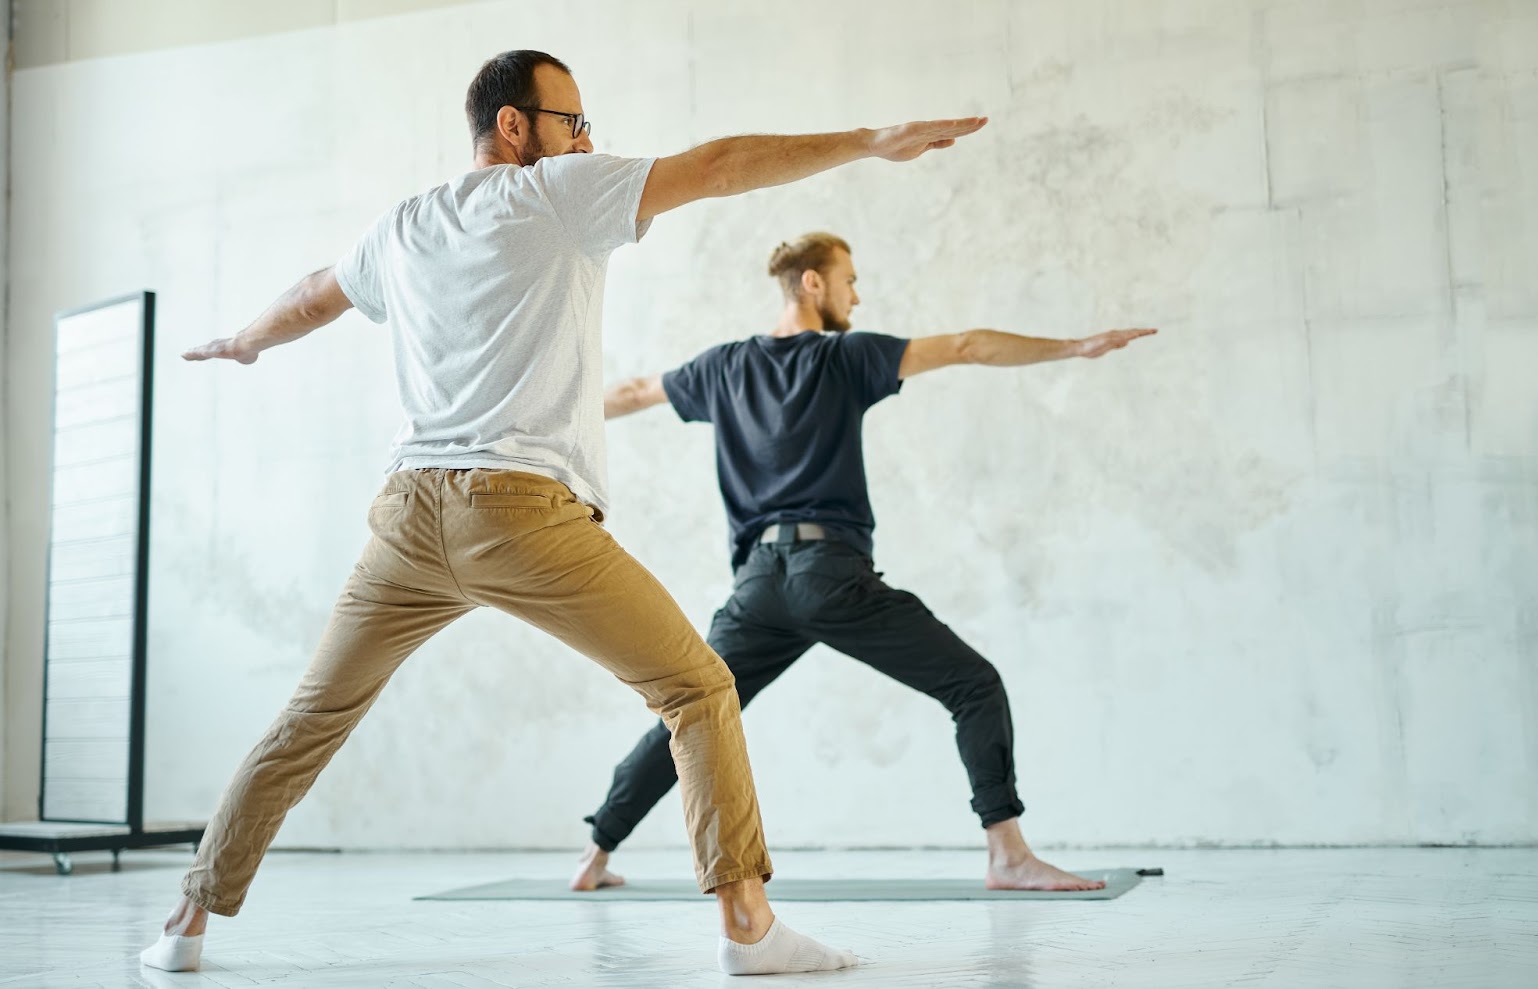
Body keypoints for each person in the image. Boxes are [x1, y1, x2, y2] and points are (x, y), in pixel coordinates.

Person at [142, 51, 986, 977]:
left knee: (308, 718)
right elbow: (717, 165)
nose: (588, 139)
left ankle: (186, 922)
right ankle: (749, 928)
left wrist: (243, 341)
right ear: (516, 126)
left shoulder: (403, 225)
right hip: (518, 511)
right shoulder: (556, 193)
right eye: (573, 121)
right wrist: (868, 141)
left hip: (408, 520)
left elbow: (311, 295)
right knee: (698, 689)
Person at [574, 231, 1155, 895]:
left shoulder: (723, 367)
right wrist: (1075, 347)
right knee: (974, 685)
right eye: (849, 278)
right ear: (813, 284)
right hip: (830, 576)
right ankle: (1009, 853)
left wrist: (535, 421)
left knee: (692, 711)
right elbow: (965, 345)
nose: (858, 292)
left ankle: (593, 855)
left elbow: (633, 389)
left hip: (758, 588)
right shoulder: (849, 356)